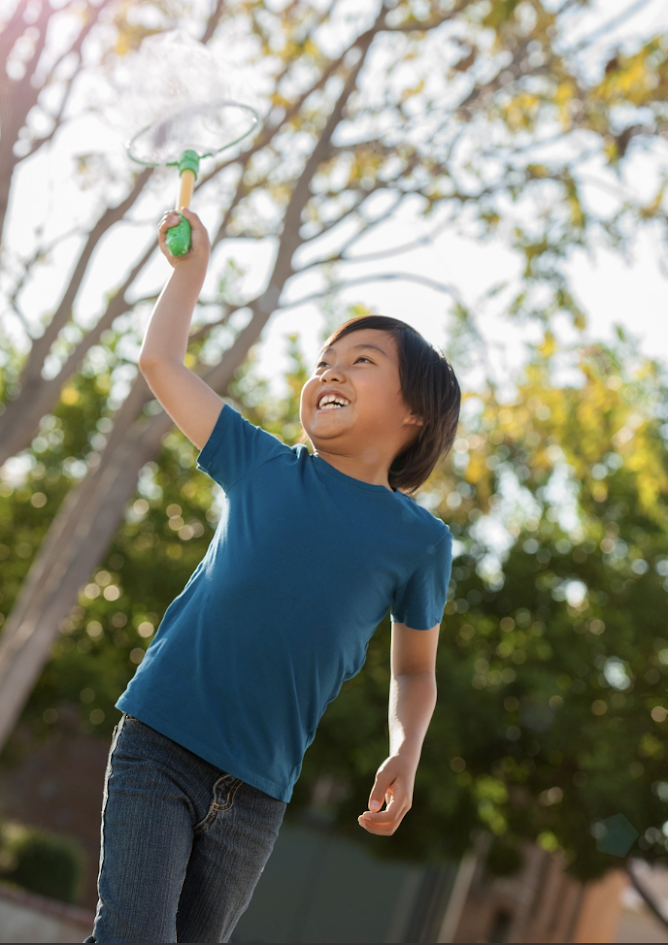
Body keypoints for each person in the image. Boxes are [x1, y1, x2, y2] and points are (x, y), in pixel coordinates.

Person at [85, 207, 461, 943]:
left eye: (361, 360)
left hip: (257, 792)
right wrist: (189, 275)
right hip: (160, 738)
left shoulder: (421, 543)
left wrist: (406, 749)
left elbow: (414, 671)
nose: (330, 370)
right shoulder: (257, 462)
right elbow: (162, 363)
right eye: (325, 359)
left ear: (414, 412)